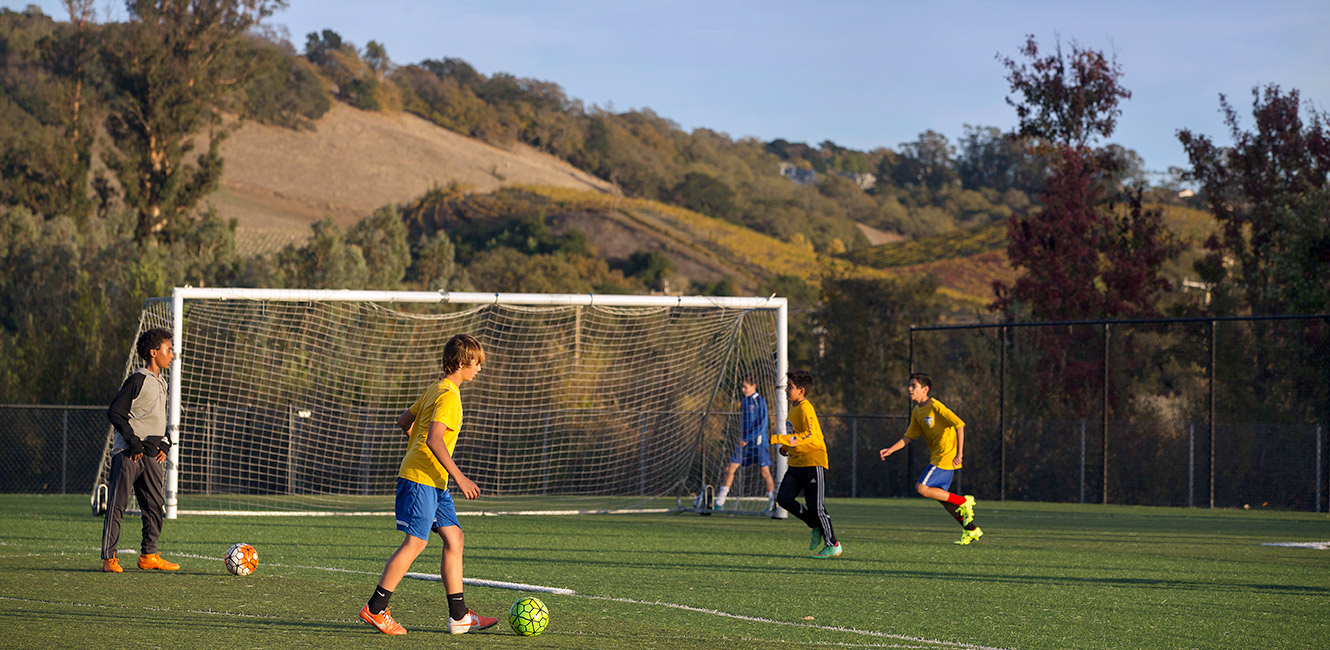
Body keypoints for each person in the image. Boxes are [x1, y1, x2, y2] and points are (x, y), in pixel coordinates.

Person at [359, 334, 498, 635]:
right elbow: (434, 438)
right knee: (416, 542)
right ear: (462, 363)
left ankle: (459, 616)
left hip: (435, 481)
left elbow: (404, 421)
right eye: (477, 364)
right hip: (422, 479)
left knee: (455, 538)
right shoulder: (449, 396)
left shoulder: (436, 388)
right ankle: (375, 609)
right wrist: (460, 477)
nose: (479, 369)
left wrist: (416, 448)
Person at [101, 327, 180, 573]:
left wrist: (165, 443)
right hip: (129, 454)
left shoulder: (162, 382)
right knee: (117, 505)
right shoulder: (138, 379)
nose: (172, 354)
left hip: (152, 456)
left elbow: (157, 418)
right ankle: (109, 559)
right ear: (154, 352)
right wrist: (133, 442)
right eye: (168, 350)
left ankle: (149, 555)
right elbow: (115, 412)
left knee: (156, 506)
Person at [879, 372, 982, 545]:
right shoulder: (917, 412)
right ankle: (971, 529)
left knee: (921, 488)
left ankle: (964, 501)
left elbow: (960, 424)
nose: (910, 389)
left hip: (945, 456)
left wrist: (959, 453)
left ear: (925, 389)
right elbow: (908, 437)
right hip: (937, 457)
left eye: (914, 386)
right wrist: (891, 449)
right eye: (909, 385)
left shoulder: (935, 406)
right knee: (942, 499)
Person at [769, 370, 841, 558]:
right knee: (783, 498)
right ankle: (815, 525)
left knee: (816, 506)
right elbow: (797, 437)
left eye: (790, 387)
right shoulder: (793, 407)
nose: (786, 390)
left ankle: (833, 544)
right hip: (797, 462)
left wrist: (780, 439)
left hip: (813, 461)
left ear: (801, 391)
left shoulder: (805, 407)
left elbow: (810, 435)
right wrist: (786, 447)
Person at [715, 376, 775, 510]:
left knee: (765, 472)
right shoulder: (744, 401)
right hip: (744, 444)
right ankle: (720, 501)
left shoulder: (760, 401)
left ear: (754, 386)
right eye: (742, 387)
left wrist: (747, 438)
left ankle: (772, 502)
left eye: (745, 387)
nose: (743, 389)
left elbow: (763, 424)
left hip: (758, 443)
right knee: (730, 468)